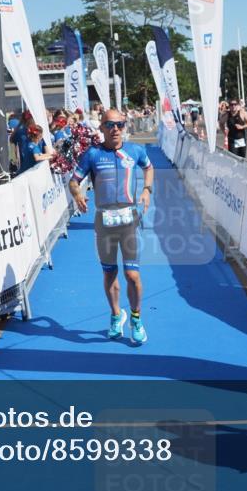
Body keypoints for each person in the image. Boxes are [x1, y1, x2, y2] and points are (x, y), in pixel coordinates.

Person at [69, 109, 154, 345]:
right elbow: (73, 181)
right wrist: (77, 194)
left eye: (120, 124)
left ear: (124, 126)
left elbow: (149, 168)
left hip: (128, 220)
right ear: (102, 128)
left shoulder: (135, 151)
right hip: (104, 221)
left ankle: (136, 319)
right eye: (110, 124)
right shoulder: (93, 154)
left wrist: (147, 190)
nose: (115, 129)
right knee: (109, 272)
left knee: (132, 274)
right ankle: (117, 314)